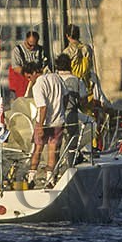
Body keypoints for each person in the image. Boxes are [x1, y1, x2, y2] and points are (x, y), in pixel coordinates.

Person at [28, 54, 73, 186]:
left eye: (29, 77)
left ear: (35, 73)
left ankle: (31, 178)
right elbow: (66, 96)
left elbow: (43, 107)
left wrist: (40, 126)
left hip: (44, 122)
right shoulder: (57, 78)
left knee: (37, 149)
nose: (29, 80)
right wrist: (61, 110)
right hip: (58, 121)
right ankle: (50, 180)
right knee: (52, 151)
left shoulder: (38, 85)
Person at [63, 25, 97, 97]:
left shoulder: (67, 52)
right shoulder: (87, 48)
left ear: (67, 36)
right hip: (87, 83)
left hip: (73, 84)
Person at [9, 30, 43, 97]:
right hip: (23, 82)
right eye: (30, 45)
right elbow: (16, 68)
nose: (32, 47)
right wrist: (29, 74)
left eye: (34, 45)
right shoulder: (17, 50)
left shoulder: (41, 50)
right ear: (26, 40)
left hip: (38, 81)